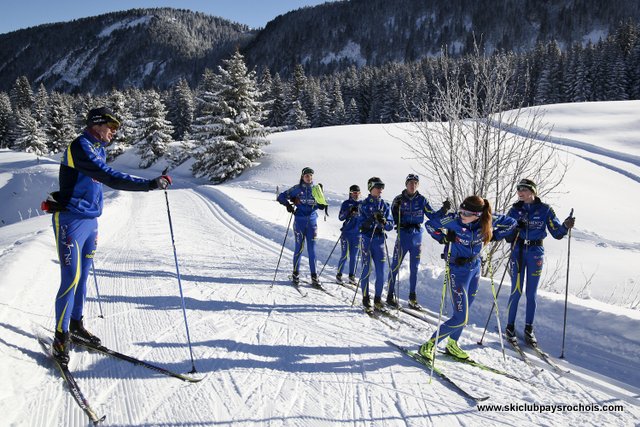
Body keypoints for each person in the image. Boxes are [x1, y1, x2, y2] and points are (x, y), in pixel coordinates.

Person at [47, 107, 172, 365]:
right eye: (111, 126)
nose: (114, 131)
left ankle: (76, 325)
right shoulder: (80, 147)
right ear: (96, 123)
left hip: (90, 221)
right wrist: (149, 184)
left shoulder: (98, 149)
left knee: (83, 279)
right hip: (70, 220)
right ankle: (60, 337)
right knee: (70, 279)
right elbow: (109, 178)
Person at [419, 196, 516, 361]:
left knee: (465, 312)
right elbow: (429, 225)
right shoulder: (453, 220)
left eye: (467, 213)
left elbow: (512, 223)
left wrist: (494, 235)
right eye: (461, 210)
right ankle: (429, 345)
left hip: (475, 269)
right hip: (458, 270)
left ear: (478, 214)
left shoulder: (488, 219)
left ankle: (452, 344)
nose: (462, 214)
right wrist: (442, 238)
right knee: (460, 317)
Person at [505, 179, 575, 346]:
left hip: (536, 253)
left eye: (523, 189)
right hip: (519, 252)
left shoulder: (545, 210)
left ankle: (529, 329)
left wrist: (566, 226)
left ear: (532, 191)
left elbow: (557, 233)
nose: (520, 192)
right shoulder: (515, 210)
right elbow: (507, 237)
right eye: (518, 189)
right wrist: (516, 228)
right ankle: (510, 326)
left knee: (531, 293)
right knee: (516, 291)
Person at [387, 174, 450, 309]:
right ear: (406, 184)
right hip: (403, 235)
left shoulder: (422, 200)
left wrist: (443, 210)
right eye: (410, 182)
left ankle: (412, 298)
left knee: (414, 268)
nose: (413, 185)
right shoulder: (398, 199)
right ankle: (390, 295)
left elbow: (432, 216)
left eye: (415, 183)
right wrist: (396, 209)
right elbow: (393, 219)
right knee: (395, 265)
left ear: (418, 185)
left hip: (417, 236)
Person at [277, 167, 328, 286]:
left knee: (312, 250)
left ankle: (314, 276)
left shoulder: (316, 189)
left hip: (312, 222)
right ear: (302, 177)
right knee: (299, 248)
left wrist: (321, 205)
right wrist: (288, 205)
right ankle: (295, 274)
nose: (308, 178)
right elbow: (281, 197)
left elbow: (323, 203)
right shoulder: (297, 189)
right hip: (299, 221)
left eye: (310, 175)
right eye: (306, 176)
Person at [357, 177, 394, 310]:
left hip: (379, 241)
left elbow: (390, 225)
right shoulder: (363, 204)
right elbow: (359, 224)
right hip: (367, 239)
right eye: (378, 187)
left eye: (381, 187)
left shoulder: (385, 205)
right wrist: (371, 219)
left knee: (381, 272)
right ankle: (366, 297)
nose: (380, 190)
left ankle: (378, 299)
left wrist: (384, 222)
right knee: (366, 269)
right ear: (371, 188)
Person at [336, 184, 361, 285]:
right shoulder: (346, 203)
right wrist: (349, 211)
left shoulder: (362, 204)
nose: (356, 195)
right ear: (350, 193)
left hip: (357, 234)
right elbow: (341, 217)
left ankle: (351, 276)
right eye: (354, 193)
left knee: (354, 256)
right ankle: (339, 275)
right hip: (346, 233)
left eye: (358, 193)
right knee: (344, 255)